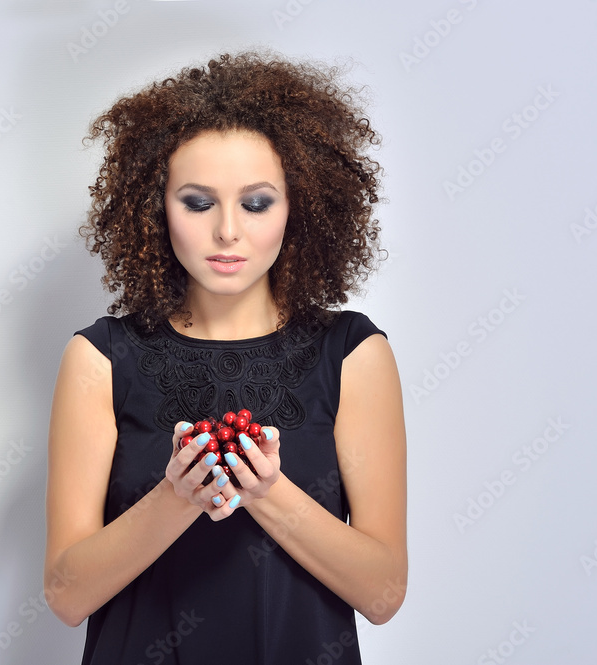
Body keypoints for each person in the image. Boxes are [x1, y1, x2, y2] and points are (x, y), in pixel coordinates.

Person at [44, 50, 407, 664]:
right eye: (198, 202)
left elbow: (384, 592)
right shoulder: (99, 358)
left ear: (298, 207)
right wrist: (177, 497)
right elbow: (65, 594)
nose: (228, 232)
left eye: (257, 203)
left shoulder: (353, 353)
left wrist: (266, 492)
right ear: (156, 208)